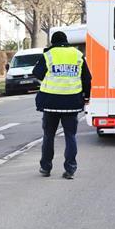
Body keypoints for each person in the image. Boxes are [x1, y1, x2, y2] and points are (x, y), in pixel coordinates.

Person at [32, 30, 92, 178]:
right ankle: (70, 169)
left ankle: (46, 168)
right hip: (72, 102)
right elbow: (87, 79)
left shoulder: (49, 55)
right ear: (67, 41)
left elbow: (37, 73)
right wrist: (86, 97)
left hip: (51, 103)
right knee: (70, 136)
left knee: (48, 136)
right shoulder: (78, 55)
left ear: (53, 42)